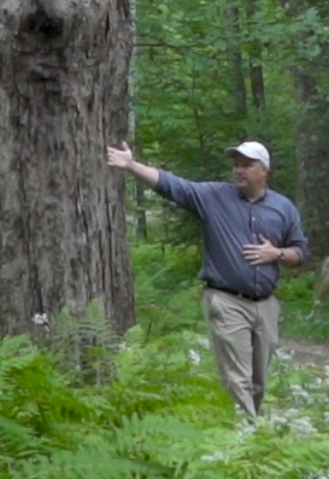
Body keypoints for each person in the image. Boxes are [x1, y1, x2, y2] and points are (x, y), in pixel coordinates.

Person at [102, 136, 308, 420]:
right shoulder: (213, 197)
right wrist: (131, 165)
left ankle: (252, 433)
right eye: (236, 165)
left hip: (266, 305)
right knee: (237, 378)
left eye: (247, 165)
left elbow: (300, 252)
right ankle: (247, 439)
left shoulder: (283, 208)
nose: (239, 170)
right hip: (226, 300)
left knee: (259, 380)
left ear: (264, 170)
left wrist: (277, 254)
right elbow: (172, 185)